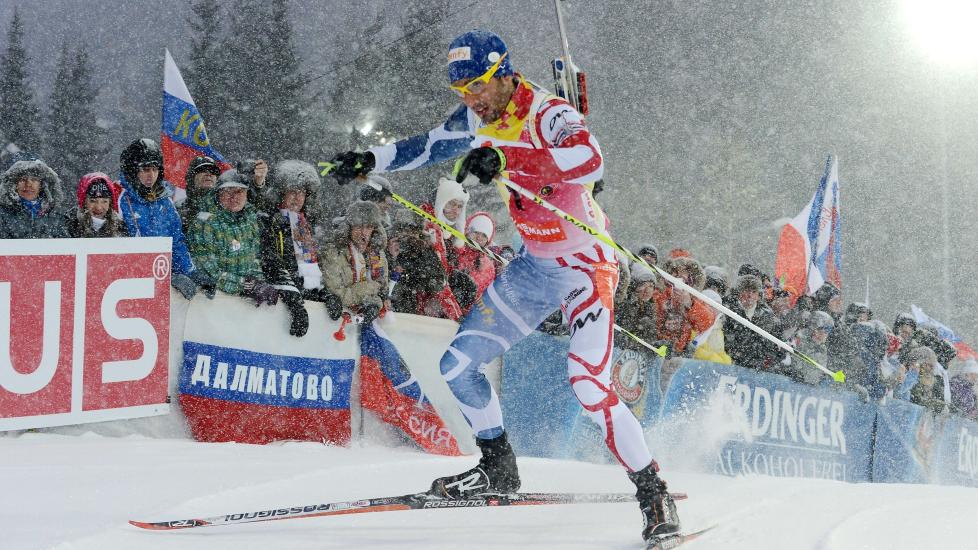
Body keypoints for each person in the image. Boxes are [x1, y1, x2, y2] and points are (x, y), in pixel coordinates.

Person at [327, 30, 680, 545]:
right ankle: (498, 466)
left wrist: (514, 161)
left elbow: (591, 161)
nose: (472, 101)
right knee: (456, 366)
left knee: (587, 381)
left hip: (585, 266)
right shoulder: (476, 118)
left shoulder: (548, 113)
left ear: (504, 74)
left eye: (478, 88)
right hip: (536, 269)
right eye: (463, 92)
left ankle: (653, 492)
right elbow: (425, 146)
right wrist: (369, 161)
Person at [187, 170, 308, 336]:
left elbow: (255, 259)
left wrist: (260, 282)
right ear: (218, 193)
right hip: (212, 312)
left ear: (246, 194)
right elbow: (208, 271)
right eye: (228, 191)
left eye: (239, 191)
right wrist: (246, 285)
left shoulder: (250, 219)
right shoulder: (204, 222)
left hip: (242, 314)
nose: (234, 197)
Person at [117, 138, 216, 300]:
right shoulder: (121, 200)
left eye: (155, 169)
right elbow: (124, 251)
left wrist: (189, 271)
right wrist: (166, 278)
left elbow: (176, 242)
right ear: (133, 170)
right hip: (132, 285)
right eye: (145, 169)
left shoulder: (165, 202)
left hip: (162, 281)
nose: (151, 175)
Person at [320, 201, 389, 326]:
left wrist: (375, 304)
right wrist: (367, 289)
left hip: (360, 325)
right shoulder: (334, 252)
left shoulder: (378, 254)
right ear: (349, 228)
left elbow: (382, 290)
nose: (363, 233)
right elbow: (337, 293)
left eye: (368, 227)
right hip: (334, 324)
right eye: (358, 227)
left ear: (374, 229)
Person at [0, 153, 70, 239]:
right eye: (22, 179)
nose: (28, 184)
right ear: (13, 184)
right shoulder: (2, 214)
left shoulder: (56, 213)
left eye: (34, 179)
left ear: (42, 185)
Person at [68, 172, 126, 238]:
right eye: (92, 201)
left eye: (104, 201)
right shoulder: (69, 224)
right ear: (83, 202)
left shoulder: (119, 226)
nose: (98, 207)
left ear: (110, 203)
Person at [177, 155, 222, 231]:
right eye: (203, 170)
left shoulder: (227, 206)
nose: (209, 174)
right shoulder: (178, 210)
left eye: (213, 171)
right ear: (192, 177)